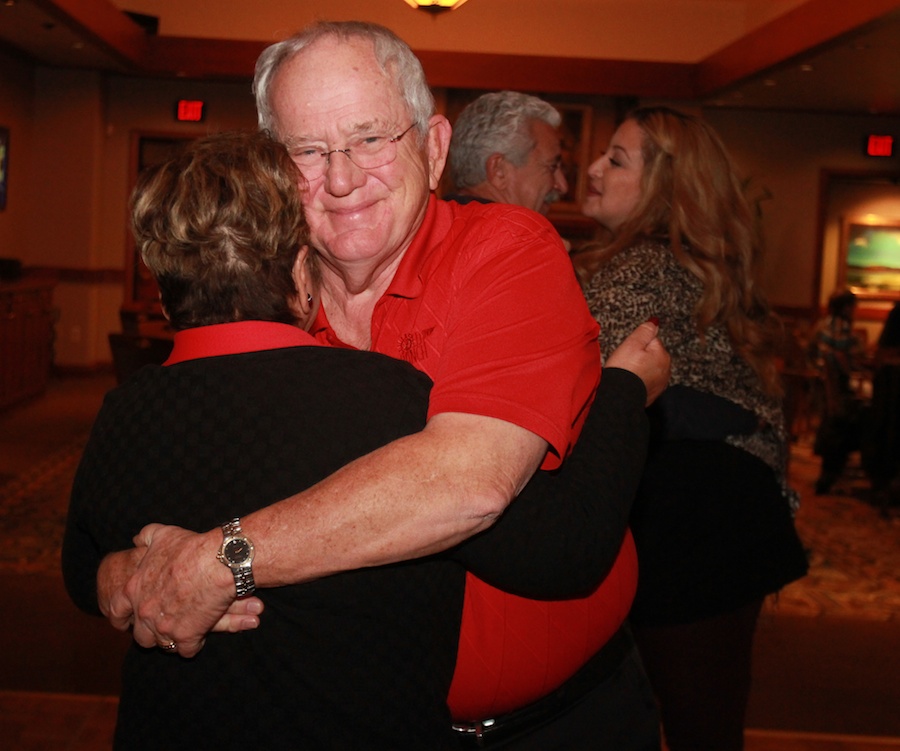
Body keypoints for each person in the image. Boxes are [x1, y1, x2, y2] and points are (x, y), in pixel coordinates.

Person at [98, 22, 669, 749]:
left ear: (433, 150)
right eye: (308, 150)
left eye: (371, 139)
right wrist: (124, 574)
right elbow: (162, 464)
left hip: (560, 725)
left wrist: (222, 561)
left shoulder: (504, 253)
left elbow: (470, 484)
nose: (340, 179)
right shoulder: (263, 302)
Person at [574, 106, 808, 751]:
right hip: (722, 520)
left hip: (688, 527)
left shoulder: (638, 271)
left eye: (616, 159)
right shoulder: (698, 267)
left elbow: (579, 399)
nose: (592, 168)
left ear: (664, 186)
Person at [445, 90, 568, 216]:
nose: (562, 186)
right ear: (499, 171)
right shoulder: (516, 233)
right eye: (552, 167)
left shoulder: (435, 226)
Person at [808, 288, 867, 494]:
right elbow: (843, 357)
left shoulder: (821, 325)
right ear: (847, 308)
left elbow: (812, 351)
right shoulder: (841, 328)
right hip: (837, 389)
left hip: (820, 387)